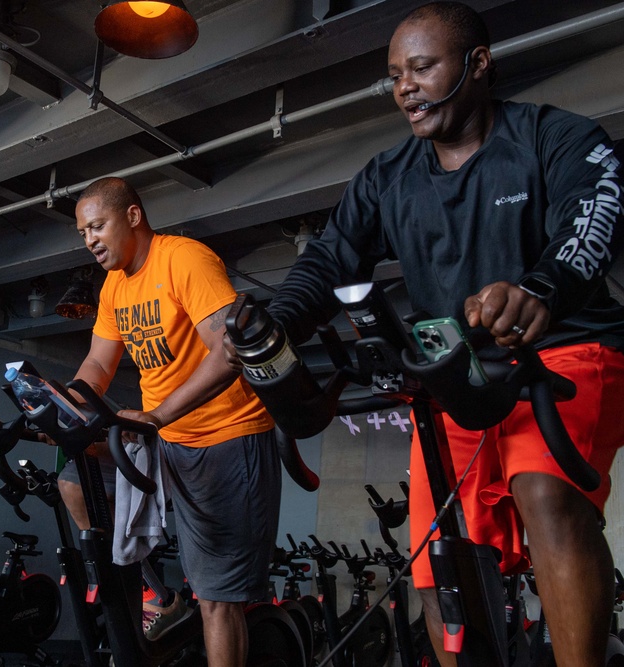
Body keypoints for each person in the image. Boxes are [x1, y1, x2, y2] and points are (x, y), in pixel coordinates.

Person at [249, 4, 624, 666]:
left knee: (545, 494)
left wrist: (541, 287)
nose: (405, 87)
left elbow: (593, 213)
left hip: (561, 350)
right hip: (454, 374)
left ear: (478, 64)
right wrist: (274, 321)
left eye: (422, 67)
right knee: (437, 548)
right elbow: (331, 258)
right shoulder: (388, 178)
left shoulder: (553, 137)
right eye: (396, 74)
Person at [71, 176, 280, 666]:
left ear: (133, 217)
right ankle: (158, 595)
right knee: (73, 479)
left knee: (216, 597)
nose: (90, 241)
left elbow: (229, 353)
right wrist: (67, 402)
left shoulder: (183, 258)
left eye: (97, 226)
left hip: (227, 437)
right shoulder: (114, 287)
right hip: (167, 441)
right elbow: (99, 366)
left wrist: (157, 415)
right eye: (83, 233)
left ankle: (194, 612)